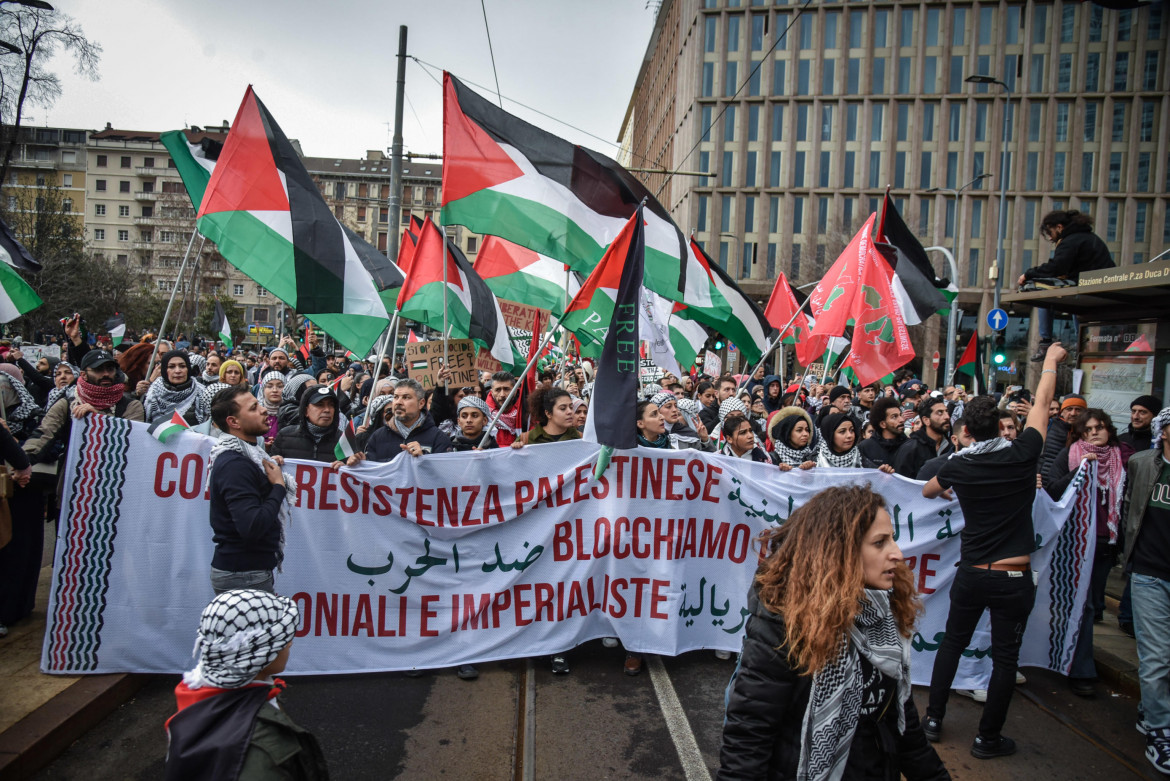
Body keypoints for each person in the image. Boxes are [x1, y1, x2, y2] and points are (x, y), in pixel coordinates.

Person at [717, 485, 949, 781]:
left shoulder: (883, 613)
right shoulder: (782, 626)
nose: (897, 554)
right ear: (840, 552)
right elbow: (748, 739)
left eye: (892, 539)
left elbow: (904, 728)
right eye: (880, 543)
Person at [920, 342, 1066, 759]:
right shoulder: (1024, 454)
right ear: (1004, 426)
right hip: (1013, 577)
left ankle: (933, 718)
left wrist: (952, 474)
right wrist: (1051, 362)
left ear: (966, 432)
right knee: (1005, 659)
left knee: (952, 643)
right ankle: (987, 739)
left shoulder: (959, 464)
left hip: (972, 573)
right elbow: (1041, 402)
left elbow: (931, 490)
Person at [164, 589, 328, 780]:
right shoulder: (260, 750)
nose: (290, 643)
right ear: (257, 653)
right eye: (281, 639)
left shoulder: (197, 698)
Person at [1044, 408, 1134, 696]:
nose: (1094, 433)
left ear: (1109, 429)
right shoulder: (1070, 455)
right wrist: (1078, 472)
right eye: (1088, 429)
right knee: (1082, 605)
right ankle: (1081, 670)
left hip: (1108, 544)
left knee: (1091, 605)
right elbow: (1052, 492)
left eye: (1100, 427)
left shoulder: (1126, 459)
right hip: (1077, 543)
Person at [207, 385, 298, 595]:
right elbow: (252, 526)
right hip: (243, 573)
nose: (264, 410)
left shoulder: (251, 457)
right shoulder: (235, 465)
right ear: (233, 422)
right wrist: (278, 487)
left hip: (247, 570)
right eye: (254, 408)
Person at [1120, 406, 1170, 775]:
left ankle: (1149, 709)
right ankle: (1161, 731)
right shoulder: (1141, 464)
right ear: (1164, 431)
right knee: (1156, 657)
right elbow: (1126, 511)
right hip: (1150, 574)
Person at [1018, 210, 1114, 360]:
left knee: (1043, 295)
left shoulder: (1070, 241)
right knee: (1078, 312)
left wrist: (1029, 274)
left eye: (1050, 232)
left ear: (1059, 227)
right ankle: (1080, 342)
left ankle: (1046, 342)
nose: (1050, 237)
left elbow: (1056, 267)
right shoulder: (1090, 238)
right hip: (1098, 285)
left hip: (1085, 287)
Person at [362, 379, 452, 462]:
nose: (398, 402)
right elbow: (370, 472)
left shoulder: (438, 438)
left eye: (406, 397)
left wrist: (424, 458)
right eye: (396, 397)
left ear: (421, 403)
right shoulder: (378, 437)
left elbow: (444, 474)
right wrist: (358, 462)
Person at [271, 386, 344, 464]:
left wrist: (347, 467)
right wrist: (273, 460)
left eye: (331, 405)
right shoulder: (284, 436)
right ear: (305, 411)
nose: (327, 410)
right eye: (319, 405)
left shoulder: (344, 441)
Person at [143, 350, 211, 425]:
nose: (178, 371)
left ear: (188, 368)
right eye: (171, 367)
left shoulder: (203, 393)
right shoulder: (152, 393)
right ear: (165, 370)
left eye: (182, 366)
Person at [894, 396, 953, 479]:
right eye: (940, 413)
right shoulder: (910, 449)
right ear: (926, 420)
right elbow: (901, 483)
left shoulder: (952, 447)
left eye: (946, 411)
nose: (947, 416)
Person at [817, 411, 896, 473]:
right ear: (829, 435)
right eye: (842, 431)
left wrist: (881, 474)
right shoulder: (814, 460)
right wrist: (806, 470)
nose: (850, 435)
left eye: (852, 430)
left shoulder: (862, 459)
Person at [515, 387, 581, 447]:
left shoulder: (580, 438)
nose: (569, 412)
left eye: (571, 407)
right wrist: (515, 449)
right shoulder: (526, 439)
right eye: (563, 408)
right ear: (548, 413)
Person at [859, 397, 908, 469]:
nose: (901, 420)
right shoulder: (866, 447)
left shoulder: (910, 446)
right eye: (894, 417)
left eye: (900, 415)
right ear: (882, 424)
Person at [484, 371, 522, 447]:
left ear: (515, 391)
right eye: (498, 390)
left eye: (506, 389)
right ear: (492, 392)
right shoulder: (484, 413)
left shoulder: (525, 410)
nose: (502, 395)